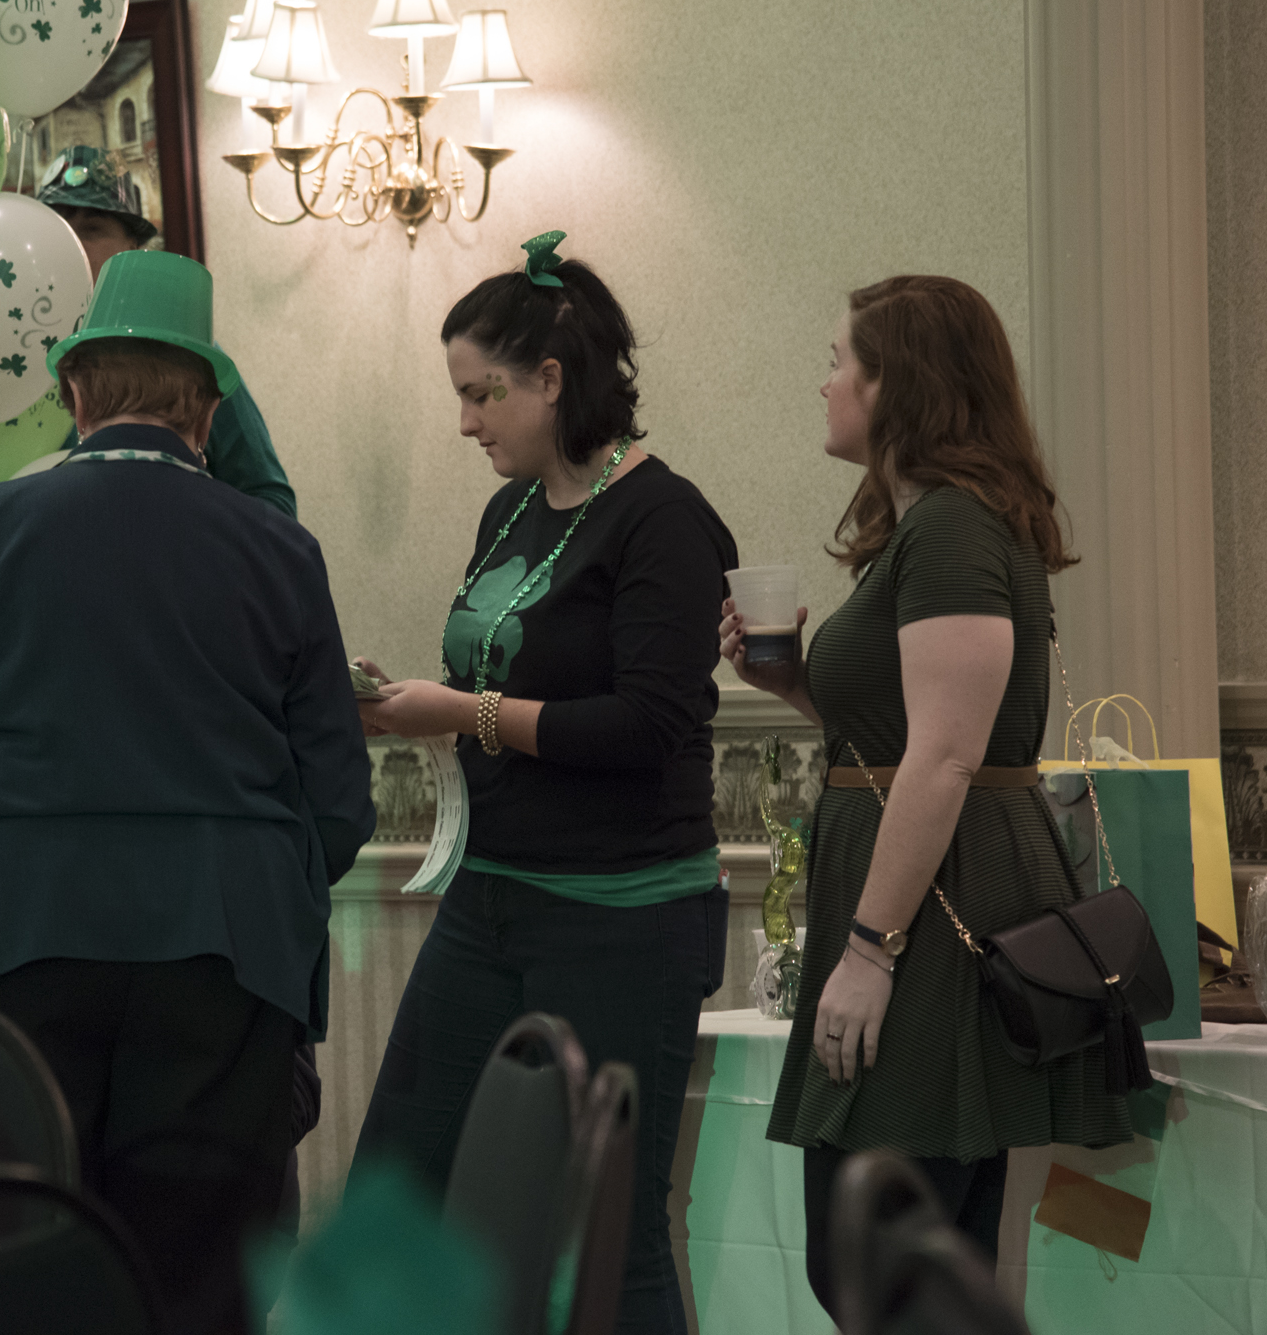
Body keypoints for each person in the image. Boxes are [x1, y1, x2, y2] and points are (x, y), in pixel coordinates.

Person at [0, 249, 376, 1335]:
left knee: (12, 1282)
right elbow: (337, 811)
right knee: (197, 1289)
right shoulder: (282, 551)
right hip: (224, 956)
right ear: (209, 408)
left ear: (74, 392)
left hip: (6, 944)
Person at [350, 232, 737, 1335]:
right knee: (398, 1190)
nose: (464, 423)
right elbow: (505, 684)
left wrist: (458, 712)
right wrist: (406, 704)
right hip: (490, 902)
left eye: (479, 394)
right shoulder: (512, 512)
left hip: (621, 919)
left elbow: (647, 725)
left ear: (552, 380)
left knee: (605, 1232)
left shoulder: (664, 519)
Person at [724, 274, 1133, 1314]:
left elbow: (947, 757)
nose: (823, 384)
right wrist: (793, 683)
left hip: (929, 913)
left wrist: (870, 954)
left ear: (895, 383)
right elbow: (907, 737)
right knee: (908, 1264)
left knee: (881, 1263)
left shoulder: (951, 528)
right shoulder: (930, 528)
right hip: (923, 897)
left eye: (837, 362)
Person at [0, 145, 294, 515]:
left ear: (132, 246)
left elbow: (270, 502)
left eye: (92, 229)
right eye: (59, 226)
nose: (71, 242)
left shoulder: (183, 357)